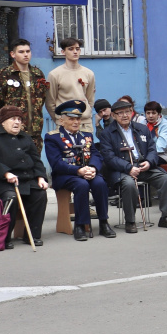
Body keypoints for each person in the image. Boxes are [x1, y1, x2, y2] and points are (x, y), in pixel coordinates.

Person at [99, 98, 167, 231]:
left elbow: (152, 149)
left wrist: (149, 162)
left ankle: (166, 217)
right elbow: (109, 157)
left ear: (132, 112)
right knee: (129, 184)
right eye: (120, 113)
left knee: (165, 179)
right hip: (122, 170)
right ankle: (130, 221)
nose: (125, 115)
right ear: (113, 115)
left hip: (142, 166)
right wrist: (129, 168)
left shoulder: (141, 128)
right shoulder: (107, 133)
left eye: (128, 111)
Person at [0, 105, 49, 248]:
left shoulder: (26, 138)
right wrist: (6, 173)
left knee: (40, 195)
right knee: (10, 197)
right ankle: (4, 236)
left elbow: (36, 160)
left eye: (19, 119)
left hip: (25, 179)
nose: (17, 122)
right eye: (13, 119)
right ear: (3, 121)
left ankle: (31, 235)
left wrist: (41, 177)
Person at [44, 99, 114, 241]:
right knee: (81, 185)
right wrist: (78, 171)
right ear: (62, 121)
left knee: (100, 183)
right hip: (65, 175)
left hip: (87, 172)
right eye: (71, 119)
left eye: (78, 118)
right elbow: (56, 163)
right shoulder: (53, 138)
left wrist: (93, 168)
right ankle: (80, 225)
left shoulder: (86, 135)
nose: (76, 122)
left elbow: (95, 154)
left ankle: (103, 222)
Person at [0, 38, 48, 137]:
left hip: (35, 129)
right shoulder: (5, 74)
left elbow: (42, 98)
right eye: (21, 52)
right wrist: (6, 119)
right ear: (13, 54)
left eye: (28, 51)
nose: (25, 54)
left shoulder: (37, 74)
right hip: (13, 130)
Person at [45, 37, 97, 133]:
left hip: (85, 123)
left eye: (77, 49)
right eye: (71, 49)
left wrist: (86, 112)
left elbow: (90, 99)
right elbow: (50, 102)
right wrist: (60, 119)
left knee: (86, 148)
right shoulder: (55, 74)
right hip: (64, 124)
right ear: (63, 52)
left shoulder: (89, 73)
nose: (75, 52)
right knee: (66, 148)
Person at [143, 101, 167, 167]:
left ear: (159, 114)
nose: (150, 116)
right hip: (144, 154)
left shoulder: (165, 124)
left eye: (153, 113)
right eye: (148, 113)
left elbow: (162, 146)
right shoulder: (142, 123)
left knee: (144, 163)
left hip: (162, 155)